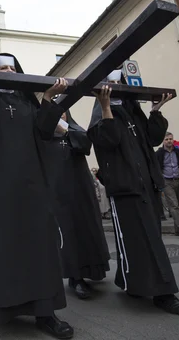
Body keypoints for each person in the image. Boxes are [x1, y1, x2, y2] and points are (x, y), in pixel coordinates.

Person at [0, 53, 74, 339]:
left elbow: (46, 132)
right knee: (3, 248)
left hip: (32, 186)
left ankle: (46, 313)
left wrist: (46, 98)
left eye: (12, 67)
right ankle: (4, 308)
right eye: (1, 68)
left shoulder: (26, 102)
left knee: (39, 247)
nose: (7, 71)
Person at [87, 70, 179, 315]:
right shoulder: (100, 116)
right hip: (125, 188)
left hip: (148, 184)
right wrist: (105, 108)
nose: (115, 87)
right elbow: (108, 141)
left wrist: (155, 110)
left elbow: (153, 138)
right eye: (109, 83)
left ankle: (132, 282)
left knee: (146, 238)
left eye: (118, 82)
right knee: (141, 240)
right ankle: (164, 292)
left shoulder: (133, 111)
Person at [45, 111, 110, 300]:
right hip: (60, 193)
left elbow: (85, 144)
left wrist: (64, 130)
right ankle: (76, 278)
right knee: (70, 234)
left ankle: (94, 269)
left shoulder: (75, 130)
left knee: (88, 229)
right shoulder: (44, 136)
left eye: (63, 112)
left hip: (82, 188)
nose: (61, 115)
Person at [155, 132, 179, 239]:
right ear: (163, 141)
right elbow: (156, 167)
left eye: (170, 139)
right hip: (166, 181)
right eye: (166, 139)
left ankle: (177, 230)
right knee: (174, 205)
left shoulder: (178, 152)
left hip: (178, 180)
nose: (169, 141)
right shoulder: (159, 154)